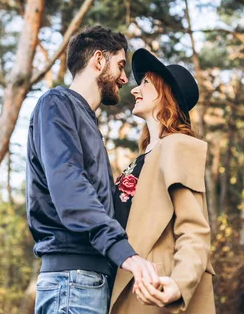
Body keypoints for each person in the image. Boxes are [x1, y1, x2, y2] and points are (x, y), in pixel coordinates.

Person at [26, 26, 160, 314]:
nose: (125, 79)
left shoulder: (85, 121)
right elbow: (71, 191)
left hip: (88, 281)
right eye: (121, 65)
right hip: (72, 282)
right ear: (99, 60)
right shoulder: (57, 104)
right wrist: (127, 255)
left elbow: (103, 204)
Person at [110, 48, 216, 313]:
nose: (135, 90)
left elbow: (194, 230)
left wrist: (179, 284)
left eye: (145, 83)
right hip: (127, 283)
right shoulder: (142, 158)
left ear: (165, 93)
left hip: (154, 291)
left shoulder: (178, 146)